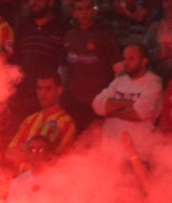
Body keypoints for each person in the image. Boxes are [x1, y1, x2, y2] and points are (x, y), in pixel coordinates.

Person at [91, 43, 163, 154]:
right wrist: (125, 103)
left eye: (131, 59)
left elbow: (138, 113)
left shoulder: (153, 84)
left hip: (138, 152)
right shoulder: (118, 81)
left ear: (144, 61)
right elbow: (97, 106)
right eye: (124, 58)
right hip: (110, 150)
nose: (126, 63)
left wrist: (110, 111)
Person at [62, 0, 121, 131]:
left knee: (97, 136)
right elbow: (64, 67)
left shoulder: (104, 35)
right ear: (74, 13)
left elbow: (117, 66)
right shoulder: (68, 36)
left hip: (97, 98)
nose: (84, 13)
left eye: (87, 8)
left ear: (93, 11)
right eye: (80, 9)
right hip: (74, 99)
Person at [9, 0, 69, 121]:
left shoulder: (62, 29)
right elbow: (15, 60)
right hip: (22, 95)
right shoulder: (23, 26)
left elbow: (64, 67)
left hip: (46, 97)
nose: (34, 3)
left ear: (51, 2)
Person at [6, 72, 76, 169]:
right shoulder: (30, 120)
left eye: (48, 89)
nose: (43, 94)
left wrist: (25, 150)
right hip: (22, 178)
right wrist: (34, 152)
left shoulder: (65, 123)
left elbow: (53, 159)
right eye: (40, 88)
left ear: (59, 90)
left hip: (46, 178)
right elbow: (9, 155)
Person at [6, 135, 55, 201]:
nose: (36, 154)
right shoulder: (18, 182)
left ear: (49, 154)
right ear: (27, 154)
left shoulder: (58, 181)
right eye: (32, 150)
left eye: (41, 150)